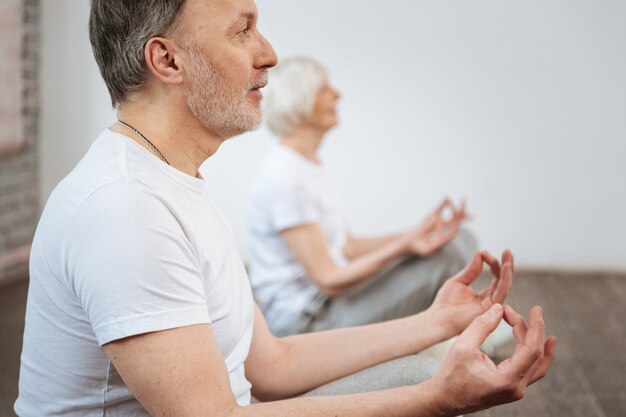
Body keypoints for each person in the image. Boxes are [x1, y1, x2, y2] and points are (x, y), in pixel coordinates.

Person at [15, 0, 555, 416]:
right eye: (242, 29)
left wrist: (433, 323)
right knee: (418, 385)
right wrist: (435, 397)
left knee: (418, 369)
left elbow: (272, 364)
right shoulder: (124, 210)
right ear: (168, 60)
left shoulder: (177, 186)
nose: (269, 52)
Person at [248, 56, 477, 336]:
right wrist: (406, 245)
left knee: (458, 238)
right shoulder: (286, 177)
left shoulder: (308, 165)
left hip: (333, 300)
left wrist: (421, 233)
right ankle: (452, 334)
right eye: (324, 89)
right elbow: (329, 279)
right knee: (451, 255)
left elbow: (348, 247)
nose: (338, 94)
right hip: (308, 322)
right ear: (301, 101)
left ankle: (451, 332)